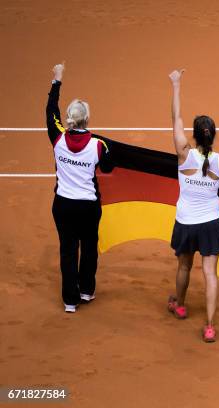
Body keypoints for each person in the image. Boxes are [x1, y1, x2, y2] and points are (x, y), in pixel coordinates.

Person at [166, 69, 219, 343]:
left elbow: (176, 119)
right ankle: (209, 326)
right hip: (211, 223)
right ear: (213, 136)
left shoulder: (183, 152)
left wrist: (176, 85)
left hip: (185, 222)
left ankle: (180, 306)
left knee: (183, 267)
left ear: (194, 135)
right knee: (210, 273)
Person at [46, 62, 114, 313]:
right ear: (87, 119)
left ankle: (69, 301)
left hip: (63, 205)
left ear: (69, 119)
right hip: (88, 207)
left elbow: (50, 111)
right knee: (88, 248)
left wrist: (57, 79)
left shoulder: (57, 137)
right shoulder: (98, 145)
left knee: (67, 251)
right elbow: (108, 168)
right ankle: (86, 290)